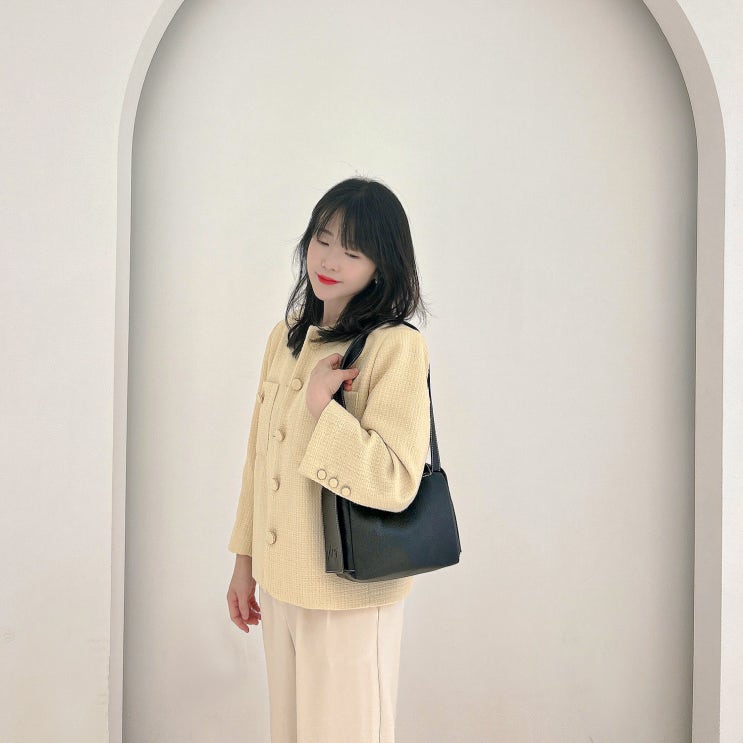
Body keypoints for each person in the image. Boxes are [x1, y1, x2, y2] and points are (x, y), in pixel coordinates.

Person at [226, 176, 432, 743]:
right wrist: (244, 563)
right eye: (323, 239)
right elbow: (257, 458)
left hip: (349, 595)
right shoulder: (286, 338)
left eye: (353, 250)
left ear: (382, 266)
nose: (330, 260)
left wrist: (323, 408)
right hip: (279, 584)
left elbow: (395, 479)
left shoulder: (396, 346)